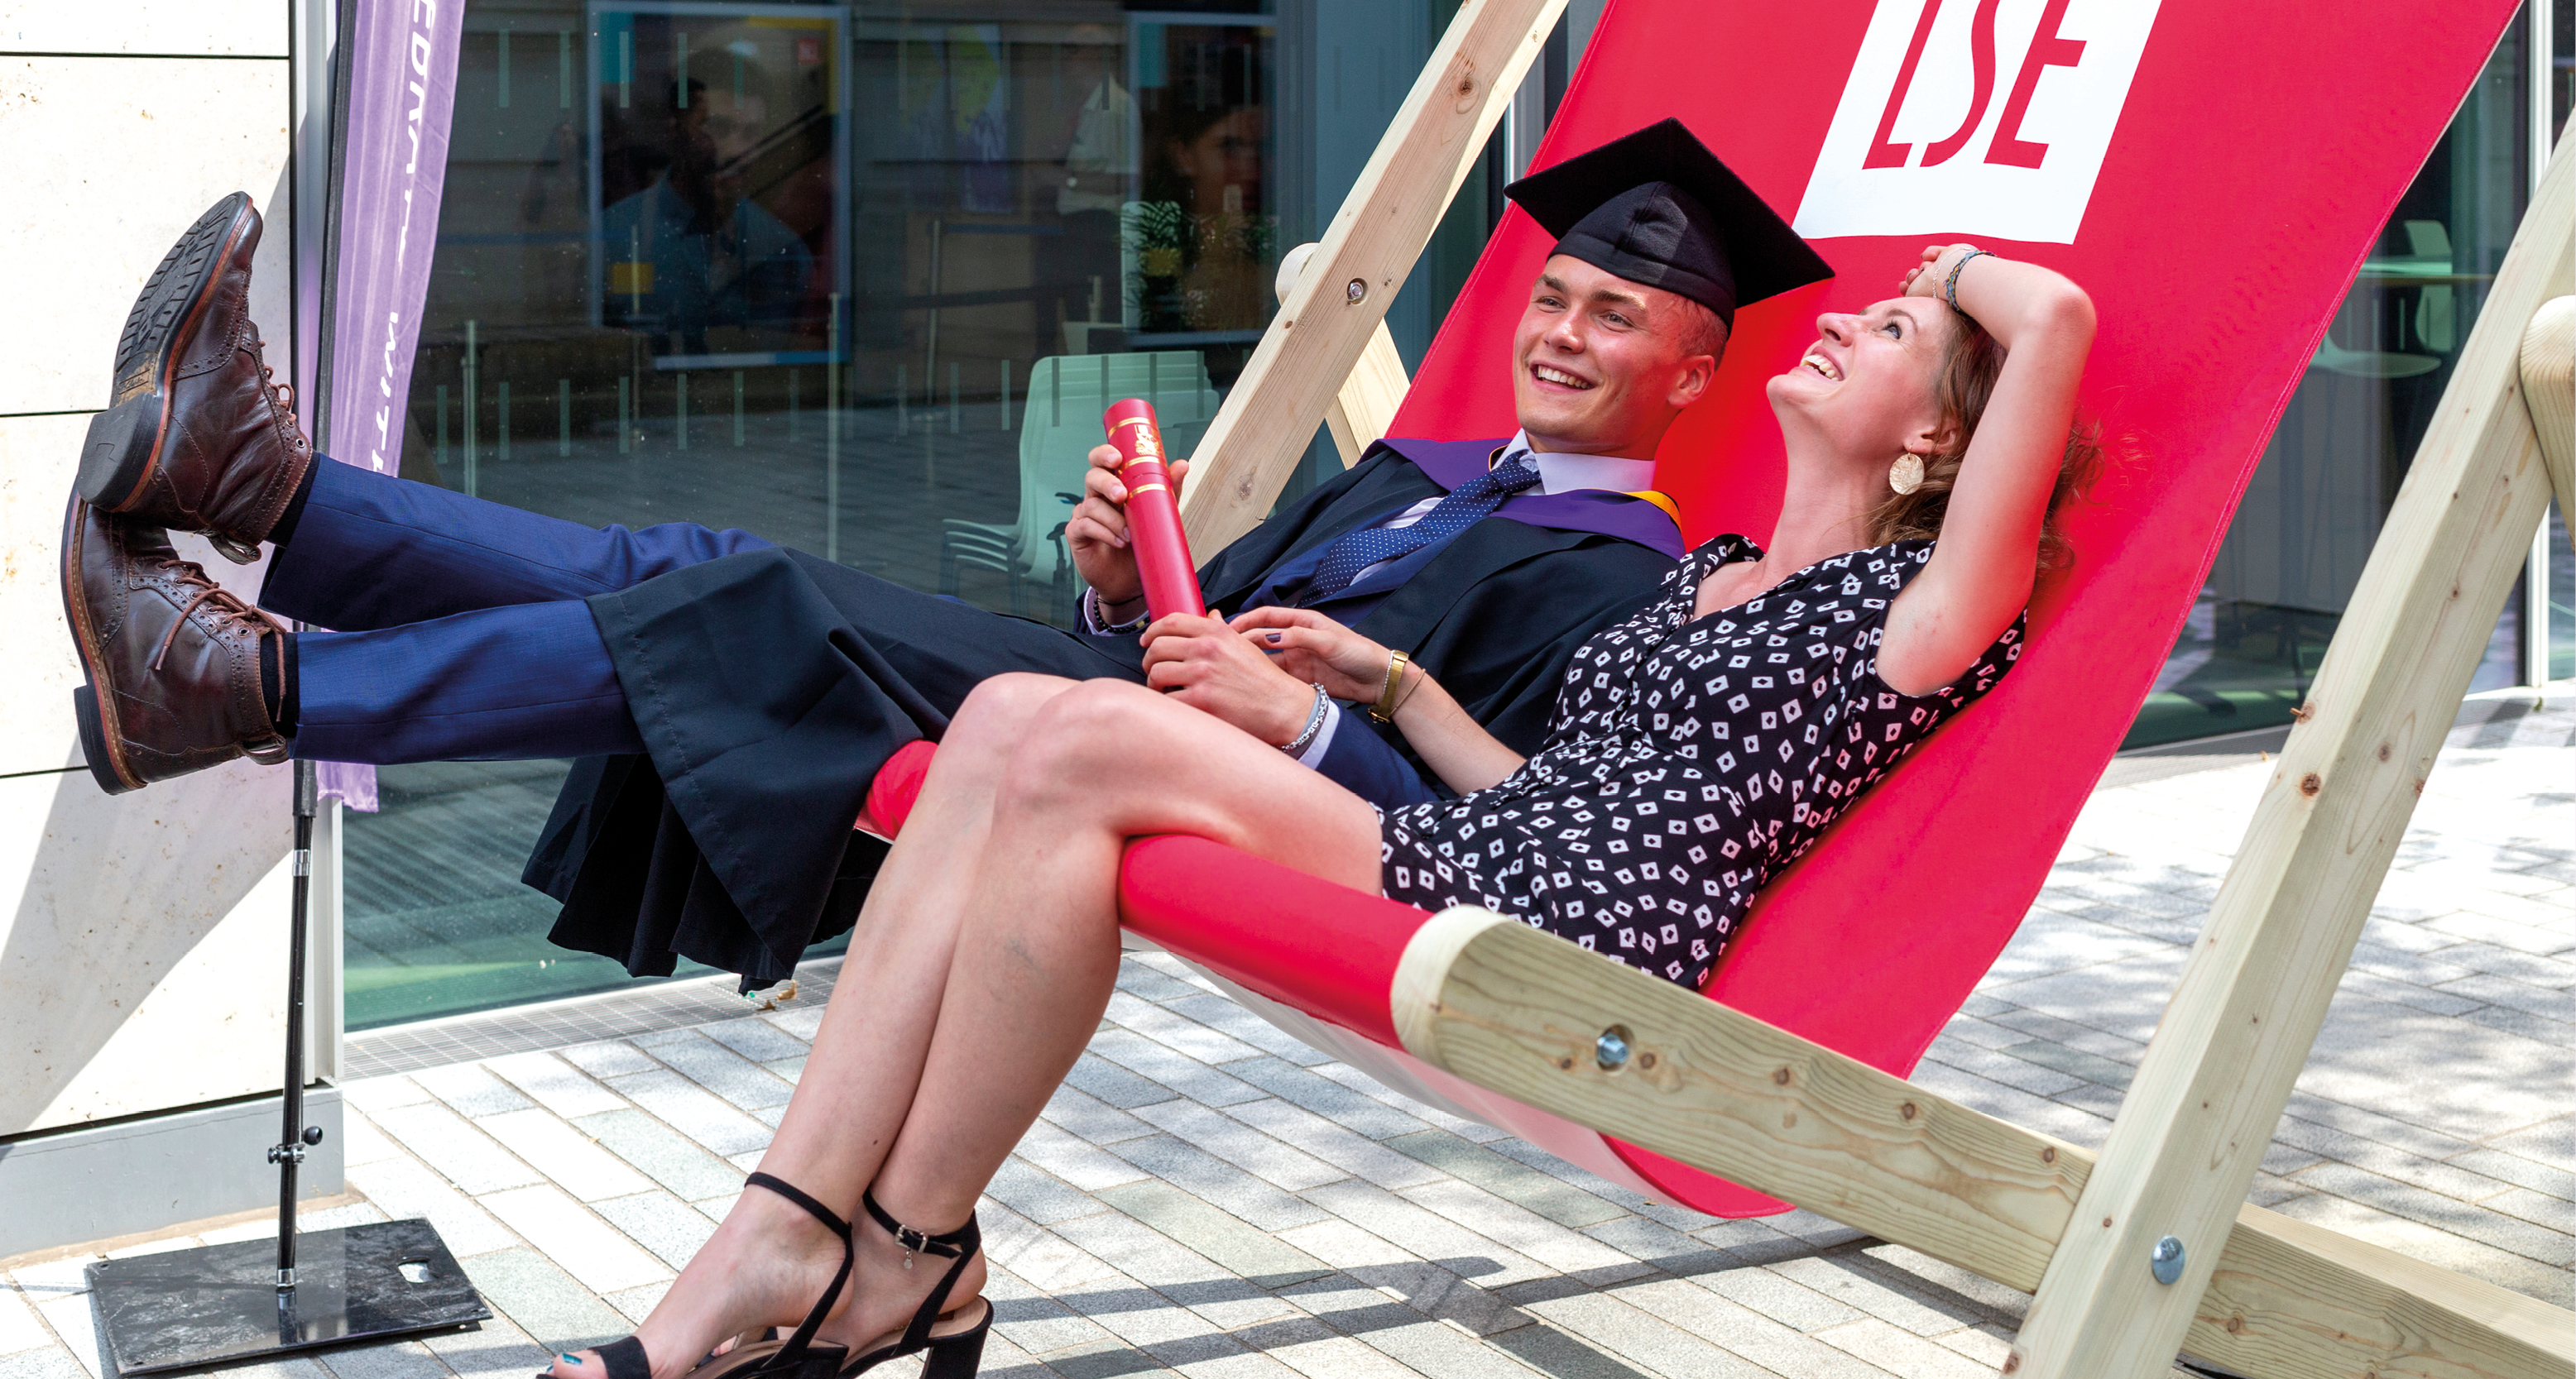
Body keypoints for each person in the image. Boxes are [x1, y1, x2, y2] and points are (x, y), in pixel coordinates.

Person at [530, 225, 2098, 1379]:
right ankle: (817, 1227)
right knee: (1007, 715)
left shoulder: (1917, 612)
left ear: (1939, 443)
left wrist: (1949, 271)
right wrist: (1391, 682)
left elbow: (2061, 321)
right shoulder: (1716, 569)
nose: (1846, 321)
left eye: (1890, 334)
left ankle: (889, 1239)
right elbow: (1553, 782)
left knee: (1068, 734)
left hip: (1578, 940)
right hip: (1499, 847)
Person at [60, 120, 1828, 991]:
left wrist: (1297, 720)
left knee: (742, 599)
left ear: (1695, 374)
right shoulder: (1427, 465)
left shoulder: (1618, 575)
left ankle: (251, 675)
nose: (1562, 333)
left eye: (1616, 317)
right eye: (1555, 296)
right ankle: (265, 515)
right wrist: (1122, 583)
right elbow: (1212, 623)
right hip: (1110, 693)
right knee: (706, 563)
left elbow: (1470, 820)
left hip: (1179, 784)